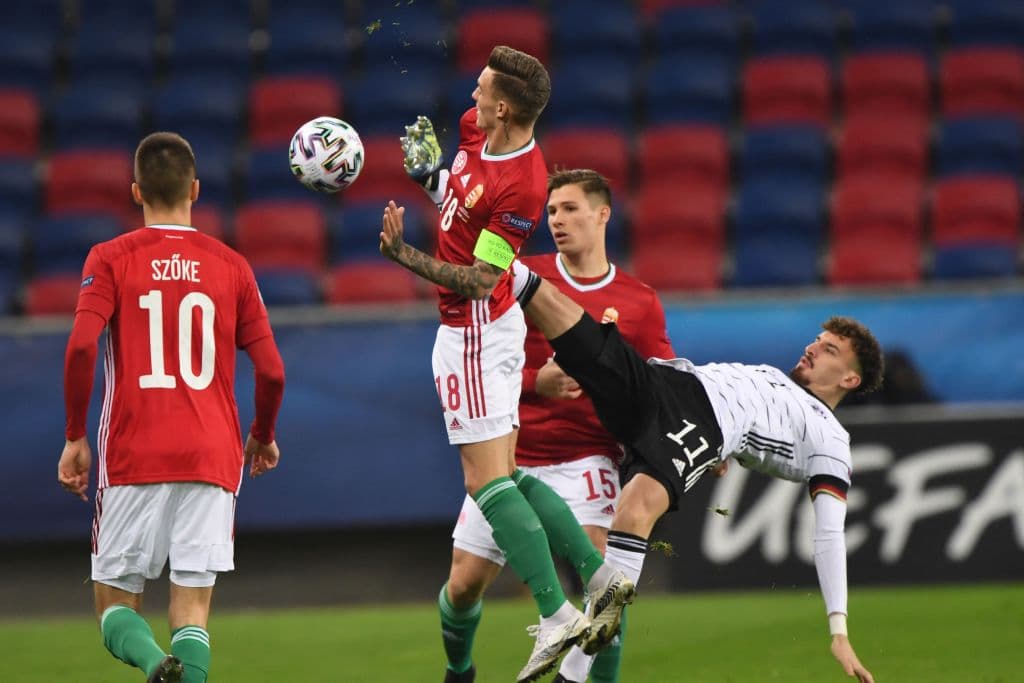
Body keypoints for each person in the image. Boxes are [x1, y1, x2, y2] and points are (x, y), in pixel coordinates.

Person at [381, 212, 881, 683]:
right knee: (553, 304)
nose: (814, 347)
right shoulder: (775, 377)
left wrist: (839, 630)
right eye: (819, 339)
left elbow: (829, 534)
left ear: (851, 378)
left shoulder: (832, 439)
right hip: (662, 383)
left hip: (698, 423)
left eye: (830, 350)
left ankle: (573, 669)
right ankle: (456, 201)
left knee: (633, 512)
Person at [389, 46, 633, 683]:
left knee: (485, 483)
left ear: (503, 108)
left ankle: (555, 613)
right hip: (477, 330)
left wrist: (402, 255)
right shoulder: (478, 135)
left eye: (479, 92)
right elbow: (458, 204)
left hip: (473, 329)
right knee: (507, 478)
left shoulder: (525, 183)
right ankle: (600, 578)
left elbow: (479, 278)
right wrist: (429, 176)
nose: (469, 99)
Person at [57, 132, 285, 683]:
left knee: (113, 607)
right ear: (196, 190)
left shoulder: (110, 258)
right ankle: (180, 667)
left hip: (134, 452)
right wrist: (262, 433)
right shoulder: (232, 266)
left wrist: (74, 435)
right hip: (212, 456)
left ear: (137, 191)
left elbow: (82, 346)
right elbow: (273, 370)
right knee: (193, 614)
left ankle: (158, 665)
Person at [442, 170, 675, 683]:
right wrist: (534, 382)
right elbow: (482, 357)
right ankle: (459, 669)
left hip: (589, 458)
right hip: (512, 456)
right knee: (462, 586)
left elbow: (658, 383)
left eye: (570, 208)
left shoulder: (639, 301)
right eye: (550, 211)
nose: (557, 220)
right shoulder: (522, 275)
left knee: (602, 579)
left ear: (602, 214)